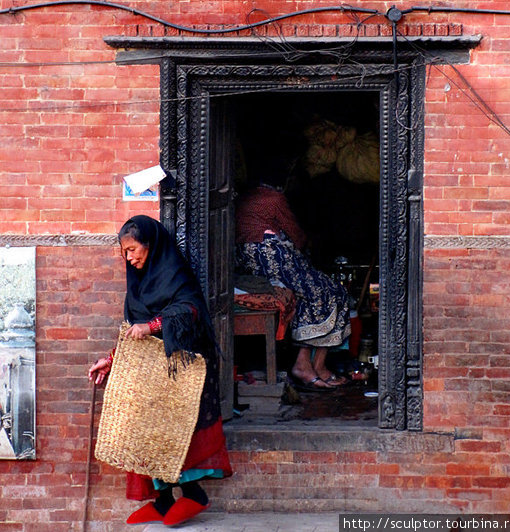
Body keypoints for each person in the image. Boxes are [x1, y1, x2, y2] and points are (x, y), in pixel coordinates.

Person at [88, 215, 232, 526]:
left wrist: (152, 325)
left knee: (173, 432)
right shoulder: (137, 283)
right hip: (150, 371)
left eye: (133, 250)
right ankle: (163, 502)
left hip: (181, 366)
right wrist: (110, 360)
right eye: (124, 252)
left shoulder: (174, 273)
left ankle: (195, 495)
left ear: (150, 245)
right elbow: (132, 332)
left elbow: (190, 309)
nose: (129, 257)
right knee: (145, 432)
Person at [235, 168, 352, 391]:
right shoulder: (274, 198)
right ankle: (308, 365)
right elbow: (295, 234)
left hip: (256, 268)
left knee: (319, 291)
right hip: (273, 263)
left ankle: (315, 366)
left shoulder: (245, 197)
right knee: (330, 292)